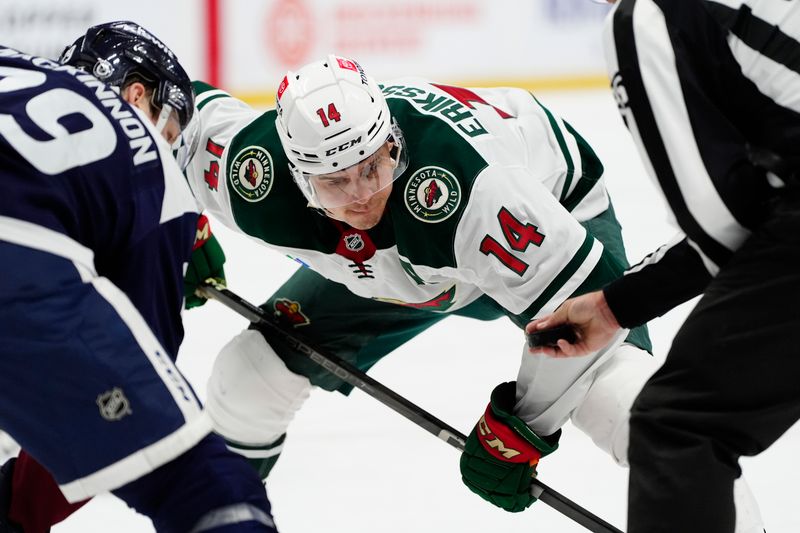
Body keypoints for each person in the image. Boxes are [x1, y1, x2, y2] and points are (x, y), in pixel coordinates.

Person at [3, 53, 763, 531]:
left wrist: (526, 424)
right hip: (400, 272)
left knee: (633, 411)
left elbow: (575, 312)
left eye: (375, 162)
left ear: (392, 138)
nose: (365, 191)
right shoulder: (249, 170)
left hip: (550, 231)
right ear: (296, 176)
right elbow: (169, 123)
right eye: (336, 180)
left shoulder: (465, 188)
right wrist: (176, 227)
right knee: (246, 375)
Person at [528, 1, 800, 531]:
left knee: (677, 427)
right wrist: (615, 304)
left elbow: (723, 219)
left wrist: (625, 302)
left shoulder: (645, 13)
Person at [0, 21, 277, 533]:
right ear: (137, 95)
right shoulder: (143, 150)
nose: (168, 148)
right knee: (206, 484)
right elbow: (137, 362)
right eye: (171, 133)